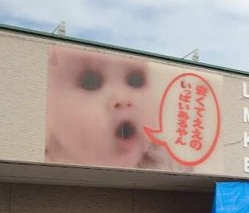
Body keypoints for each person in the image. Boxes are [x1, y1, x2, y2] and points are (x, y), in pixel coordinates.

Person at [46, 45, 190, 171]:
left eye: (135, 80)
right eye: (90, 82)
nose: (122, 99)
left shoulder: (163, 161)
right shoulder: (43, 162)